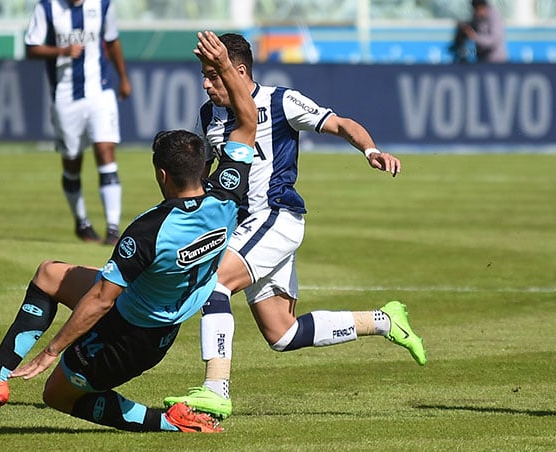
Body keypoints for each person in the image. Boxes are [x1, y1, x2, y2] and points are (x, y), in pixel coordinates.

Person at [0, 31, 255, 433]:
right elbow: (247, 119)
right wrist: (225, 66)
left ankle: (168, 423)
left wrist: (51, 350)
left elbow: (102, 300)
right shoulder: (227, 199)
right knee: (51, 273)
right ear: (205, 169)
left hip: (131, 334)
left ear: (162, 174)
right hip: (158, 313)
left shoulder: (149, 230)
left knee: (58, 394)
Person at [163, 33, 426, 420]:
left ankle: (214, 390)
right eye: (203, 75)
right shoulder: (209, 114)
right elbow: (208, 172)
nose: (206, 83)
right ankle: (384, 320)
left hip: (275, 216)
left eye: (213, 75)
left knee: (213, 282)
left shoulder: (280, 100)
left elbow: (339, 123)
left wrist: (371, 150)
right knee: (282, 334)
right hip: (246, 226)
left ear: (237, 71)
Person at [24, 0, 131, 245]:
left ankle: (113, 229)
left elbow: (112, 41)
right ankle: (81, 222)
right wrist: (60, 51)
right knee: (72, 161)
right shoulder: (47, 7)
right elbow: (31, 48)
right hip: (65, 97)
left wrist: (123, 78)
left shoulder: (103, 5)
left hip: (100, 92)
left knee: (105, 151)